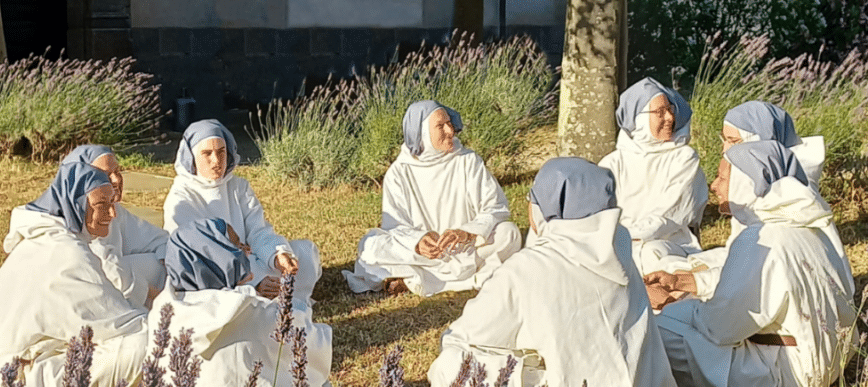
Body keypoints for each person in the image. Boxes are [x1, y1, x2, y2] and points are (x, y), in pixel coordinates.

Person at [428, 157, 676, 387]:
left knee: (449, 364)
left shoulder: (525, 269)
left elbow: (463, 337)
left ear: (545, 207)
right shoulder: (618, 251)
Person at [653, 141, 856, 387]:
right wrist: (689, 285)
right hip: (829, 362)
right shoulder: (809, 224)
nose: (714, 186)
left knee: (662, 332)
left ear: (744, 182)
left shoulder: (761, 237)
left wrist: (672, 305)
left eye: (721, 178)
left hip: (787, 371)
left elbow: (720, 328)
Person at [0, 162, 149, 387]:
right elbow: (120, 325)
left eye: (112, 203)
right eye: (102, 205)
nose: (112, 213)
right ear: (77, 205)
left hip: (14, 366)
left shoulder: (39, 240)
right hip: (28, 376)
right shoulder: (66, 253)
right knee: (148, 343)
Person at [651, 101, 847, 300]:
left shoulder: (789, 200)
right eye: (724, 139)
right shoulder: (762, 192)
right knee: (669, 266)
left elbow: (758, 265)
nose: (724, 149)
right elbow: (740, 252)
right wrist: (692, 268)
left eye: (734, 141)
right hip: (753, 276)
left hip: (778, 293)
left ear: (761, 139)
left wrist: (691, 281)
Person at [343, 100, 521, 296]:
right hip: (424, 255)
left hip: (464, 249)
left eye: (449, 123)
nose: (450, 130)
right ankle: (465, 278)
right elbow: (394, 225)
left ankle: (415, 279)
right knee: (370, 245)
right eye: (440, 126)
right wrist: (418, 242)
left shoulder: (467, 161)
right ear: (423, 133)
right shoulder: (399, 171)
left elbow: (495, 206)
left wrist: (467, 232)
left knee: (509, 233)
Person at [154, 217, 334, 387]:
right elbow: (311, 345)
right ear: (219, 255)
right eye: (237, 246)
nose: (247, 250)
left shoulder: (161, 311)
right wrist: (298, 308)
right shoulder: (251, 310)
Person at [163, 119, 320, 301]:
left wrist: (278, 256)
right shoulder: (181, 196)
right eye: (207, 153)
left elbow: (258, 230)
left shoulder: (238, 186)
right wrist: (254, 281)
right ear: (192, 157)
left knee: (306, 251)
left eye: (221, 152)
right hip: (217, 273)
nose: (216, 161)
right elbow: (197, 256)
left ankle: (279, 296)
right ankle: (260, 294)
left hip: (251, 258)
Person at [599, 77, 708, 275]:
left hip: (669, 243)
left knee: (650, 254)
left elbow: (673, 213)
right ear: (639, 119)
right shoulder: (612, 163)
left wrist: (630, 237)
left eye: (670, 109)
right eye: (659, 112)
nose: (669, 118)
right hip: (617, 241)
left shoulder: (683, 158)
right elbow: (600, 213)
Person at [61, 144, 169, 308]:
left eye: (117, 172)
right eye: (105, 174)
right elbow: (110, 272)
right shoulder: (77, 218)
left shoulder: (117, 211)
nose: (117, 180)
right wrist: (166, 304)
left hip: (121, 286)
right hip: (86, 298)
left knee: (157, 262)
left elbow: (159, 239)